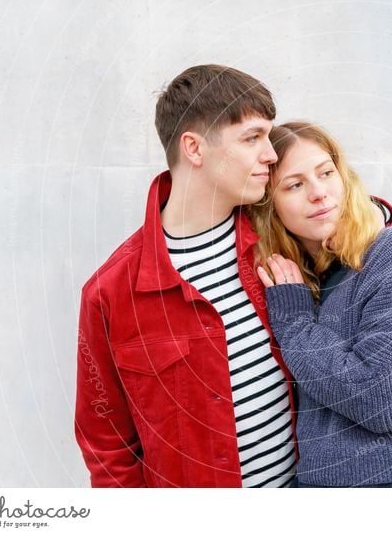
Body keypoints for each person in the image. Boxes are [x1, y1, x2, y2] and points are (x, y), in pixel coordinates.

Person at [74, 65, 299, 487]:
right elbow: (107, 448)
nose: (271, 154)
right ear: (194, 149)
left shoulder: (282, 238)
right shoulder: (109, 293)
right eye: (252, 138)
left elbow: (352, 236)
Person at [251, 122, 392, 487]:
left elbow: (381, 397)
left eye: (326, 173)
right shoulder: (298, 284)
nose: (318, 193)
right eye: (294, 185)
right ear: (270, 208)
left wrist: (295, 322)